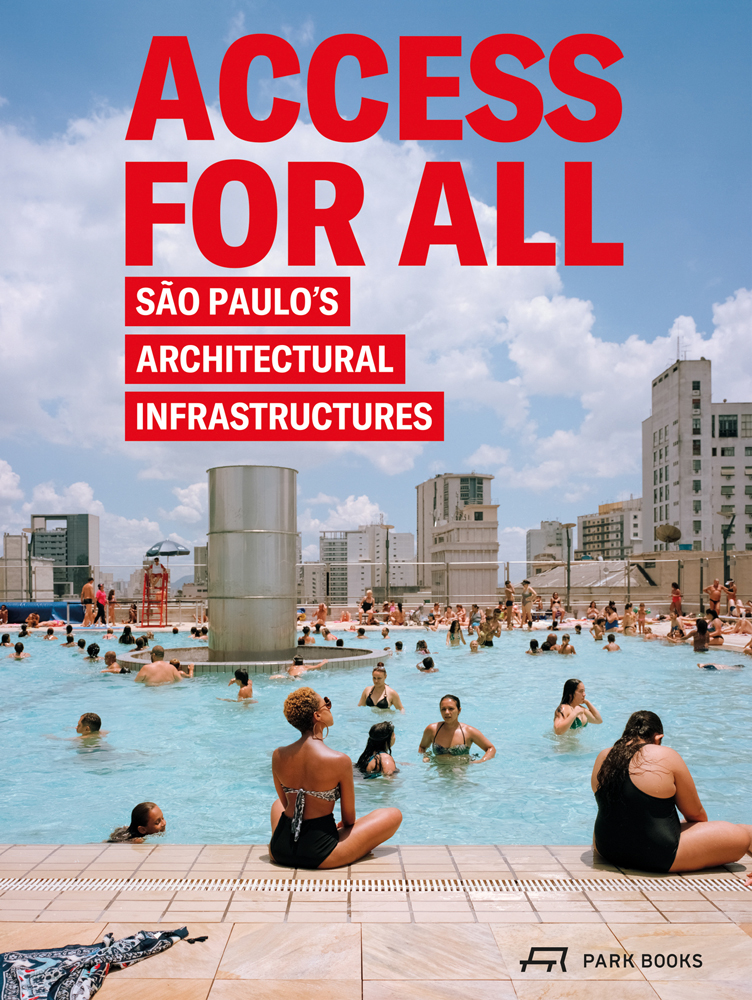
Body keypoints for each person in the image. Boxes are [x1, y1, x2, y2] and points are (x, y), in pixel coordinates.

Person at [592, 710, 752, 876]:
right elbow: (697, 816)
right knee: (742, 834)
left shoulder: (604, 756)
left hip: (607, 849)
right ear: (657, 738)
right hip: (657, 855)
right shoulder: (665, 755)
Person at [269, 687, 402, 868]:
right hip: (319, 853)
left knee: (278, 803)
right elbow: (348, 820)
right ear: (317, 715)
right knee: (393, 815)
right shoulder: (339, 760)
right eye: (326, 703)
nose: (330, 707)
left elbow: (285, 804)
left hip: (280, 849)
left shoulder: (278, 755)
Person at [419, 695, 496, 763]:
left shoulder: (469, 732)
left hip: (460, 773)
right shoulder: (432, 729)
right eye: (443, 709)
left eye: (451, 709)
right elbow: (423, 747)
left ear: (459, 710)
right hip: (438, 771)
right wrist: (425, 756)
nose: (447, 712)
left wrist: (481, 761)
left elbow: (491, 748)